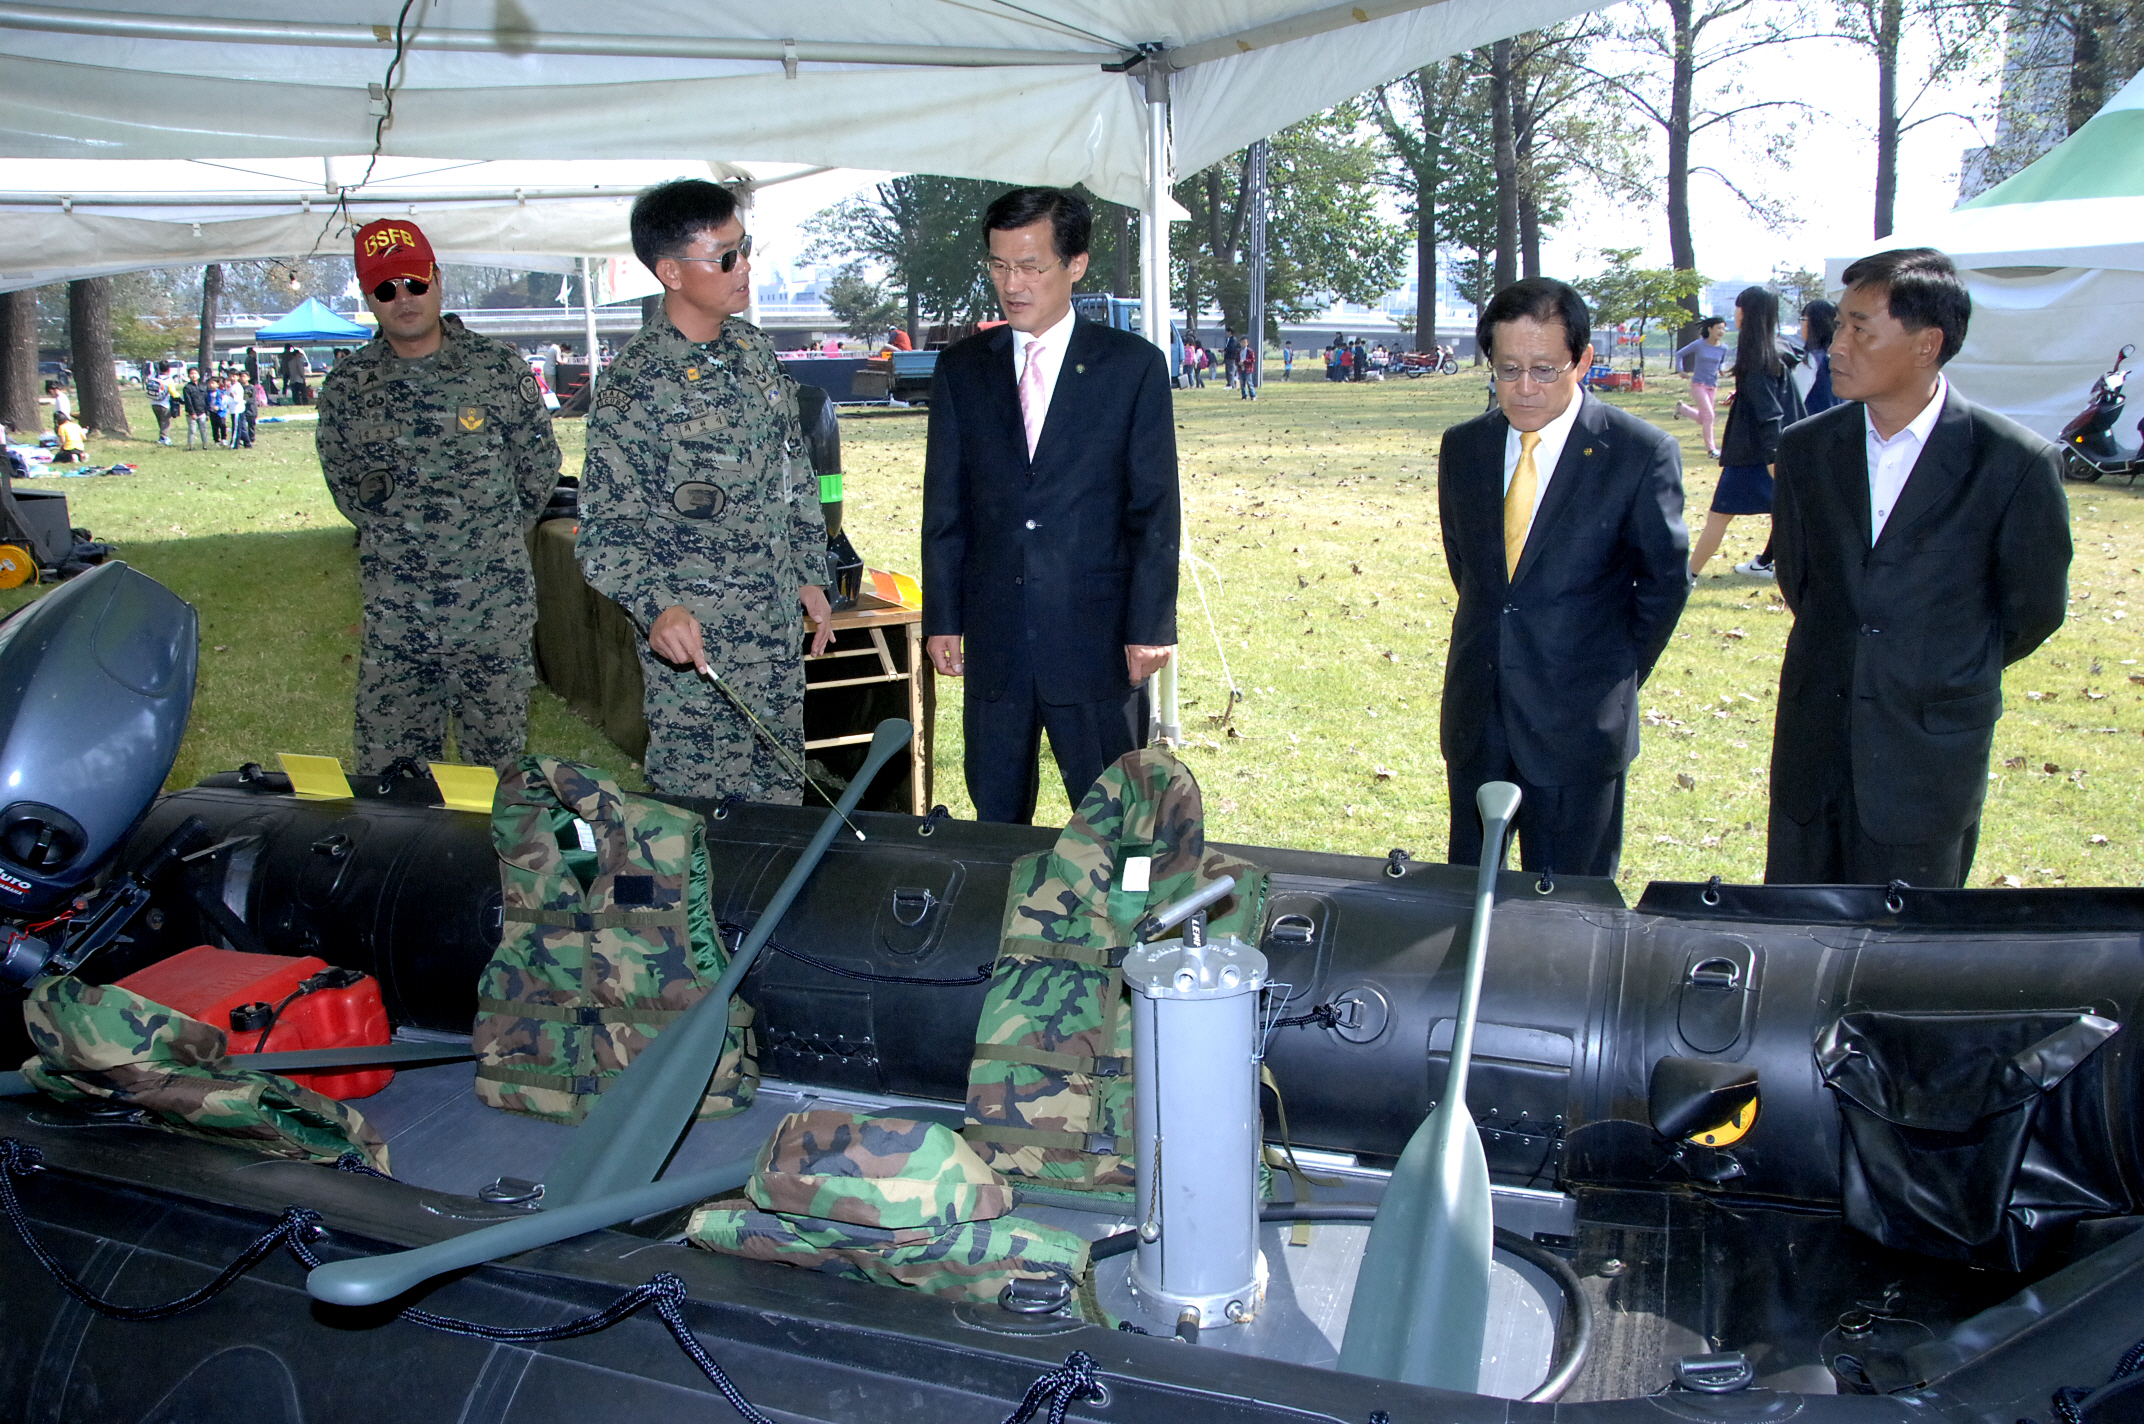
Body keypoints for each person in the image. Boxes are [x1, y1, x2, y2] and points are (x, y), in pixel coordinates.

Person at [1765, 247, 2071, 889]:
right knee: (1794, 936)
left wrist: (1932, 663)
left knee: (1903, 960)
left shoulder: (2011, 464)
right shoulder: (1806, 449)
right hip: (1815, 742)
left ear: (1927, 344)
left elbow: (2031, 610)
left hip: (1928, 753)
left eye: (1859, 328)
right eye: (1839, 325)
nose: (1837, 344)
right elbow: (1804, 581)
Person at [921, 185, 1179, 824]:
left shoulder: (1131, 368)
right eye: (999, 265)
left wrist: (1150, 625)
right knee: (996, 816)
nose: (1012, 284)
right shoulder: (961, 370)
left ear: (1076, 265)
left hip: (1095, 638)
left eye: (1030, 266)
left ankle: (1124, 924)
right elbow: (945, 507)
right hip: (997, 636)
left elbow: (1154, 509)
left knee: (1117, 822)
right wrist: (943, 616)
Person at [577, 179, 832, 801]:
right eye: (725, 257)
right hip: (698, 655)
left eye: (744, 250)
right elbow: (605, 536)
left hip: (773, 638)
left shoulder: (752, 352)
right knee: (700, 821)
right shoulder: (635, 385)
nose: (744, 268)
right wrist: (656, 607)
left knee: (780, 809)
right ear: (671, 271)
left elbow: (792, 474)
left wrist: (808, 574)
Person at [1437, 277, 1690, 877]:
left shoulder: (1636, 452)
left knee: (1570, 913)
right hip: (1481, 714)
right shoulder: (1464, 447)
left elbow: (1663, 585)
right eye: (1507, 368)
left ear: (1583, 361)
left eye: (1545, 370)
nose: (1524, 389)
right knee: (1468, 898)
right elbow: (1470, 570)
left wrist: (1605, 674)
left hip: (1579, 723)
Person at [316, 217, 562, 776]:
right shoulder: (349, 388)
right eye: (385, 289)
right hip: (396, 613)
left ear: (437, 278)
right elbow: (347, 486)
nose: (403, 299)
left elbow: (539, 467)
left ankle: (493, 865)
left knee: (497, 773)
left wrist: (485, 538)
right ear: (368, 297)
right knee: (393, 774)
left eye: (413, 283)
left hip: (491, 611)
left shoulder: (496, 370)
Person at [1689, 288, 1798, 579]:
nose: (1735, 315)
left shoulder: (1757, 359)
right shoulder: (1775, 350)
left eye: (1738, 308)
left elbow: (1769, 413)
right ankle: (1774, 565)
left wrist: (1774, 457)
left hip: (1756, 454)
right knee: (1786, 513)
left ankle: (1688, 574)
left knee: (1719, 515)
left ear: (1745, 313)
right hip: (1765, 452)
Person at [1672, 317, 1729, 456]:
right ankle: (1711, 450)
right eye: (1718, 328)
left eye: (1723, 328)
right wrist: (1680, 370)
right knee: (1709, 416)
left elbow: (1720, 363)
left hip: (1712, 386)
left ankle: (1682, 409)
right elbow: (1680, 354)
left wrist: (1722, 370)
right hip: (1698, 385)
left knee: (1704, 419)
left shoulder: (1723, 348)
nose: (1721, 331)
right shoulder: (1699, 344)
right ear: (1710, 329)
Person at [144, 362, 174, 445]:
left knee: (160, 420)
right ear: (168, 369)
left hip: (153, 403)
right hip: (164, 404)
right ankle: (164, 438)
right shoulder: (168, 380)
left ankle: (162, 436)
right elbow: (173, 392)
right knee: (166, 421)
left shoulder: (153, 377)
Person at [181, 366, 210, 449]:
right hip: (192, 413)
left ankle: (205, 445)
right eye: (191, 374)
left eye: (195, 373)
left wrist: (207, 413)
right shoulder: (187, 388)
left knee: (203, 429)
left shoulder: (203, 387)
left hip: (202, 412)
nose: (194, 375)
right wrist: (192, 412)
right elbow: (188, 402)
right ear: (189, 376)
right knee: (192, 430)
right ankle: (191, 446)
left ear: (199, 375)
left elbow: (206, 400)